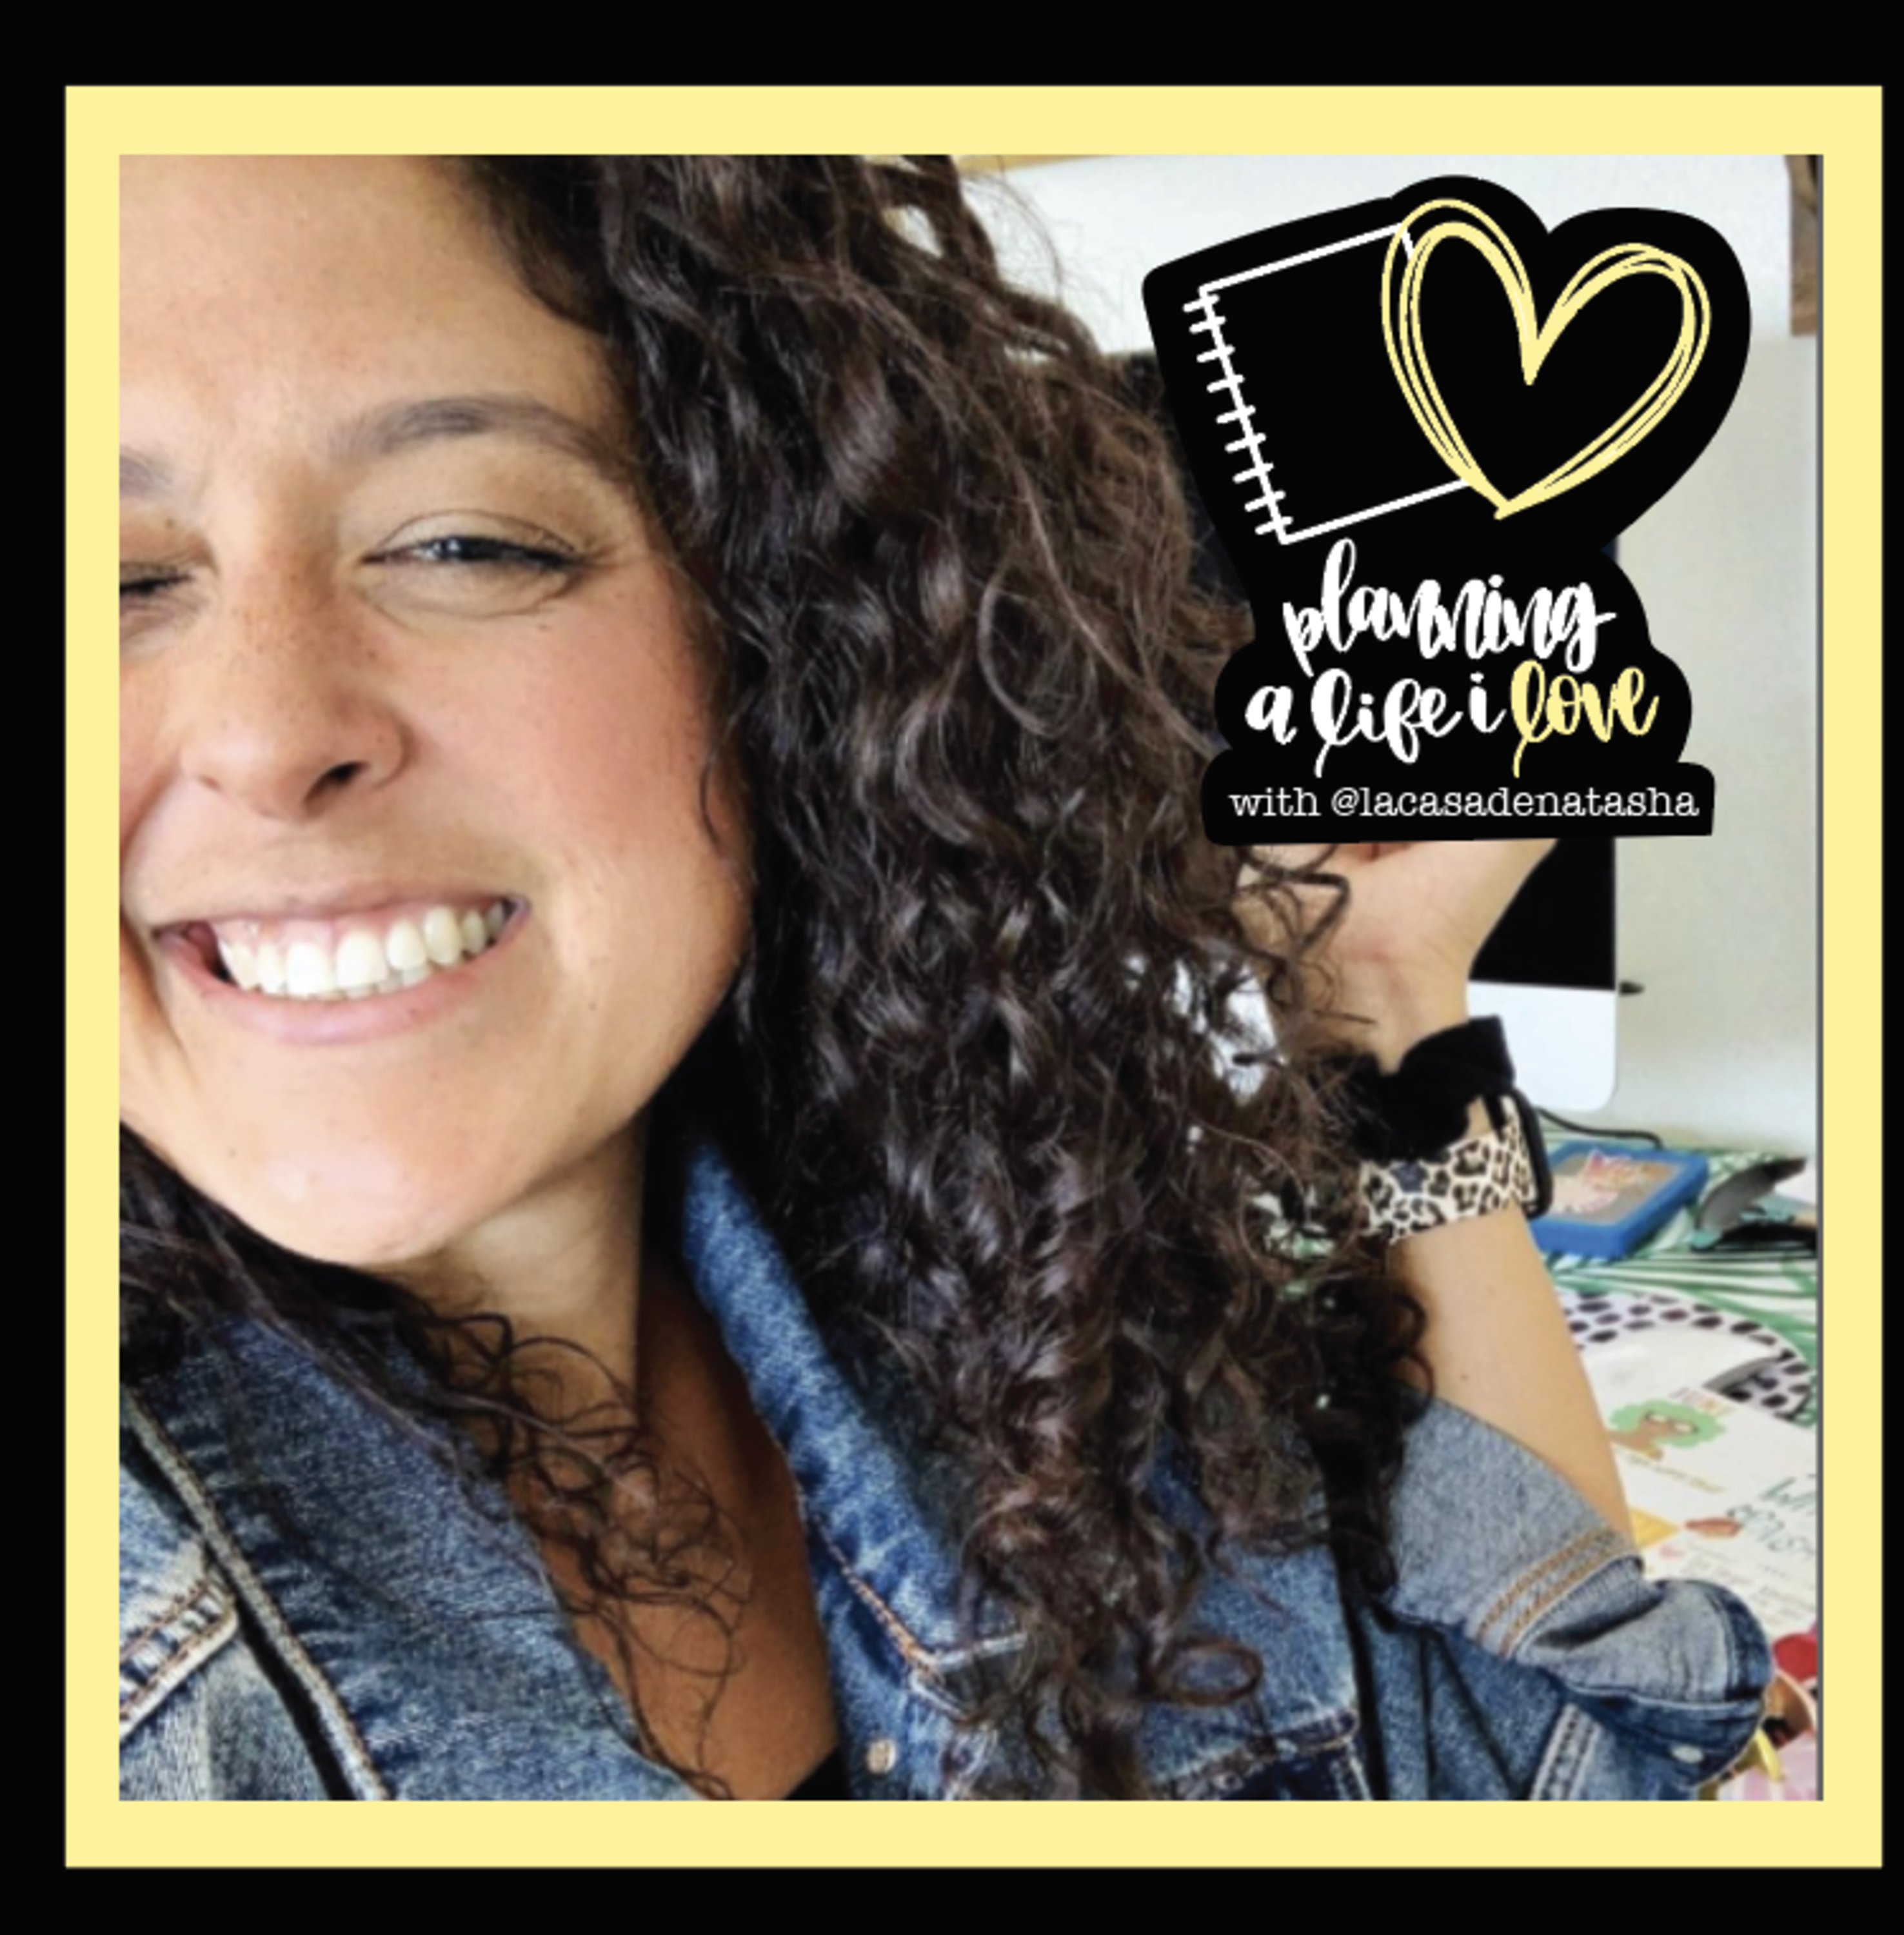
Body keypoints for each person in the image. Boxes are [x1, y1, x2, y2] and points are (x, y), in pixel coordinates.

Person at [117, 155, 1770, 1801]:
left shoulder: (977, 1282)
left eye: (466, 544)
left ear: (782, 618)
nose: (268, 735)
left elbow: (1541, 1760)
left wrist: (1382, 1001)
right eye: (112, 580)